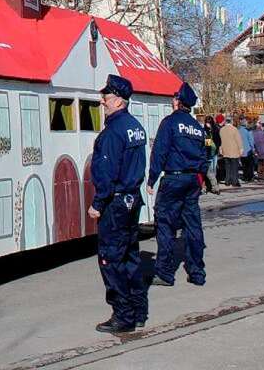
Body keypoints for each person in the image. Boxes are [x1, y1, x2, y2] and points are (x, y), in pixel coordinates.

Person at [87, 74, 148, 334]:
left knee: (111, 259)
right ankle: (138, 310)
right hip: (132, 198)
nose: (103, 102)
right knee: (130, 256)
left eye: (107, 98)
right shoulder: (135, 126)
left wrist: (98, 203)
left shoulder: (113, 132)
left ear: (120, 101)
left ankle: (123, 315)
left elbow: (107, 172)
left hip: (116, 202)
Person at [147, 82, 207, 288]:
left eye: (174, 98)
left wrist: (151, 179)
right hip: (192, 180)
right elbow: (203, 157)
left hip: (173, 178)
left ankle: (164, 272)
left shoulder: (170, 123)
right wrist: (201, 179)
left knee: (165, 224)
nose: (172, 100)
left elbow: (159, 152)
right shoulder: (198, 128)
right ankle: (197, 271)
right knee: (193, 225)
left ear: (178, 102)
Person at [219, 116, 243, 188]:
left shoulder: (222, 130)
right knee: (234, 167)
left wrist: (221, 149)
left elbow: (221, 141)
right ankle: (235, 181)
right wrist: (241, 149)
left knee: (227, 167)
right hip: (234, 151)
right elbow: (238, 140)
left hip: (225, 150)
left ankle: (227, 181)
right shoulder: (234, 129)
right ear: (231, 121)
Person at [201, 115, 221, 195]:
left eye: (209, 123)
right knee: (209, 171)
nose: (207, 124)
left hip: (214, 153)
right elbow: (207, 144)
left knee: (213, 170)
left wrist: (217, 147)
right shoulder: (205, 131)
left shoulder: (216, 130)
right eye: (206, 123)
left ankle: (211, 186)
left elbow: (219, 141)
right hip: (208, 154)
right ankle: (212, 186)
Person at [237, 116, 255, 182]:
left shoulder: (238, 130)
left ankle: (245, 176)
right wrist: (253, 149)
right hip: (248, 151)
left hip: (241, 151)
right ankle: (249, 177)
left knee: (244, 165)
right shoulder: (248, 131)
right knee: (249, 165)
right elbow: (251, 141)